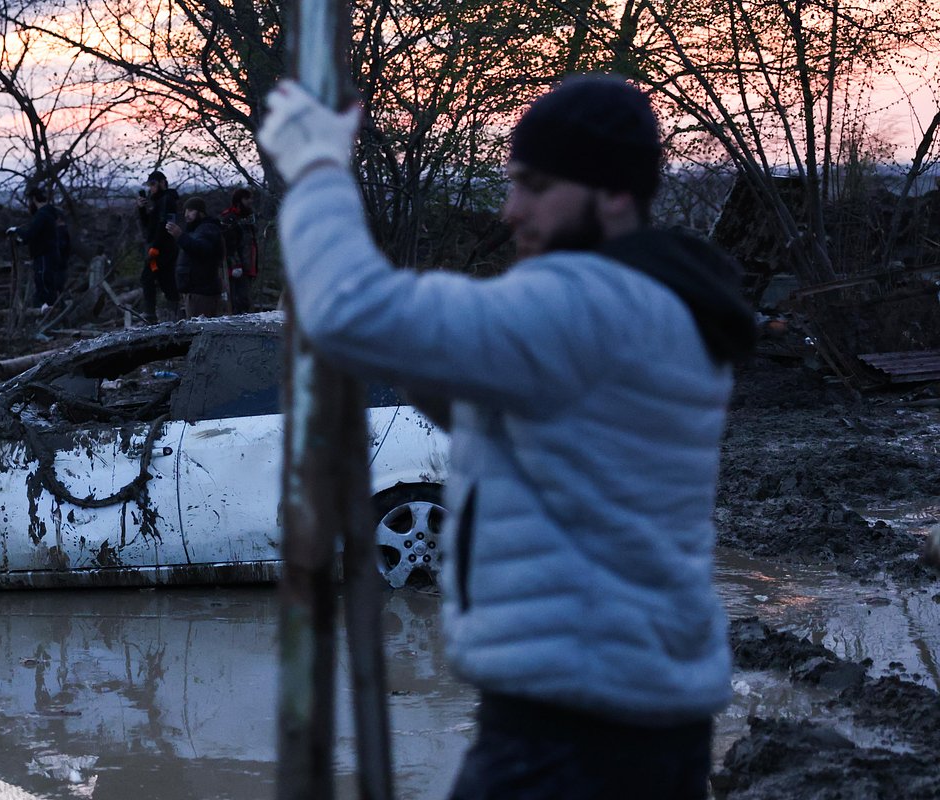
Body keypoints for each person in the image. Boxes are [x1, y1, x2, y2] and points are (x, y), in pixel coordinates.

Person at [257, 75, 757, 799]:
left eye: (536, 185)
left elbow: (349, 310)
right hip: (631, 715)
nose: (511, 209)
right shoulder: (656, 304)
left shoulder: (586, 299)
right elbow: (540, 434)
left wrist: (317, 173)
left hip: (575, 732)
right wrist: (420, 360)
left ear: (614, 193)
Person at [8, 187, 63, 310]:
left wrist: (16, 230)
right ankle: (50, 309)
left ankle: (48, 310)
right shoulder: (49, 214)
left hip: (44, 256)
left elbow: (30, 234)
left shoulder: (42, 215)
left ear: (33, 199)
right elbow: (37, 235)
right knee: (47, 284)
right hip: (48, 255)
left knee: (44, 283)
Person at [137, 170, 182, 323]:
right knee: (165, 280)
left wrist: (155, 248)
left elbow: (165, 225)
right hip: (160, 249)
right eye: (150, 185)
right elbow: (148, 226)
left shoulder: (167, 200)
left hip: (163, 250)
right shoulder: (158, 202)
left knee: (148, 277)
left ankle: (151, 315)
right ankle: (174, 316)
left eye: (154, 184)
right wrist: (142, 209)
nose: (151, 188)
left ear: (162, 183)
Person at [170, 196, 226, 318]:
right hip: (196, 291)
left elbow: (201, 249)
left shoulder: (207, 229)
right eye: (185, 211)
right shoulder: (197, 230)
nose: (186, 214)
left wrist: (180, 236)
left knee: (201, 330)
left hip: (202, 292)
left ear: (201, 212)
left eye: (190, 211)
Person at [220, 187, 259, 314]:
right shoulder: (230, 219)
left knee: (245, 299)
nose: (250, 201)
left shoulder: (247, 217)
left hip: (248, 265)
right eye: (247, 198)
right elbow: (230, 244)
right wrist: (236, 264)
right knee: (238, 300)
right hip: (237, 268)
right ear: (239, 200)